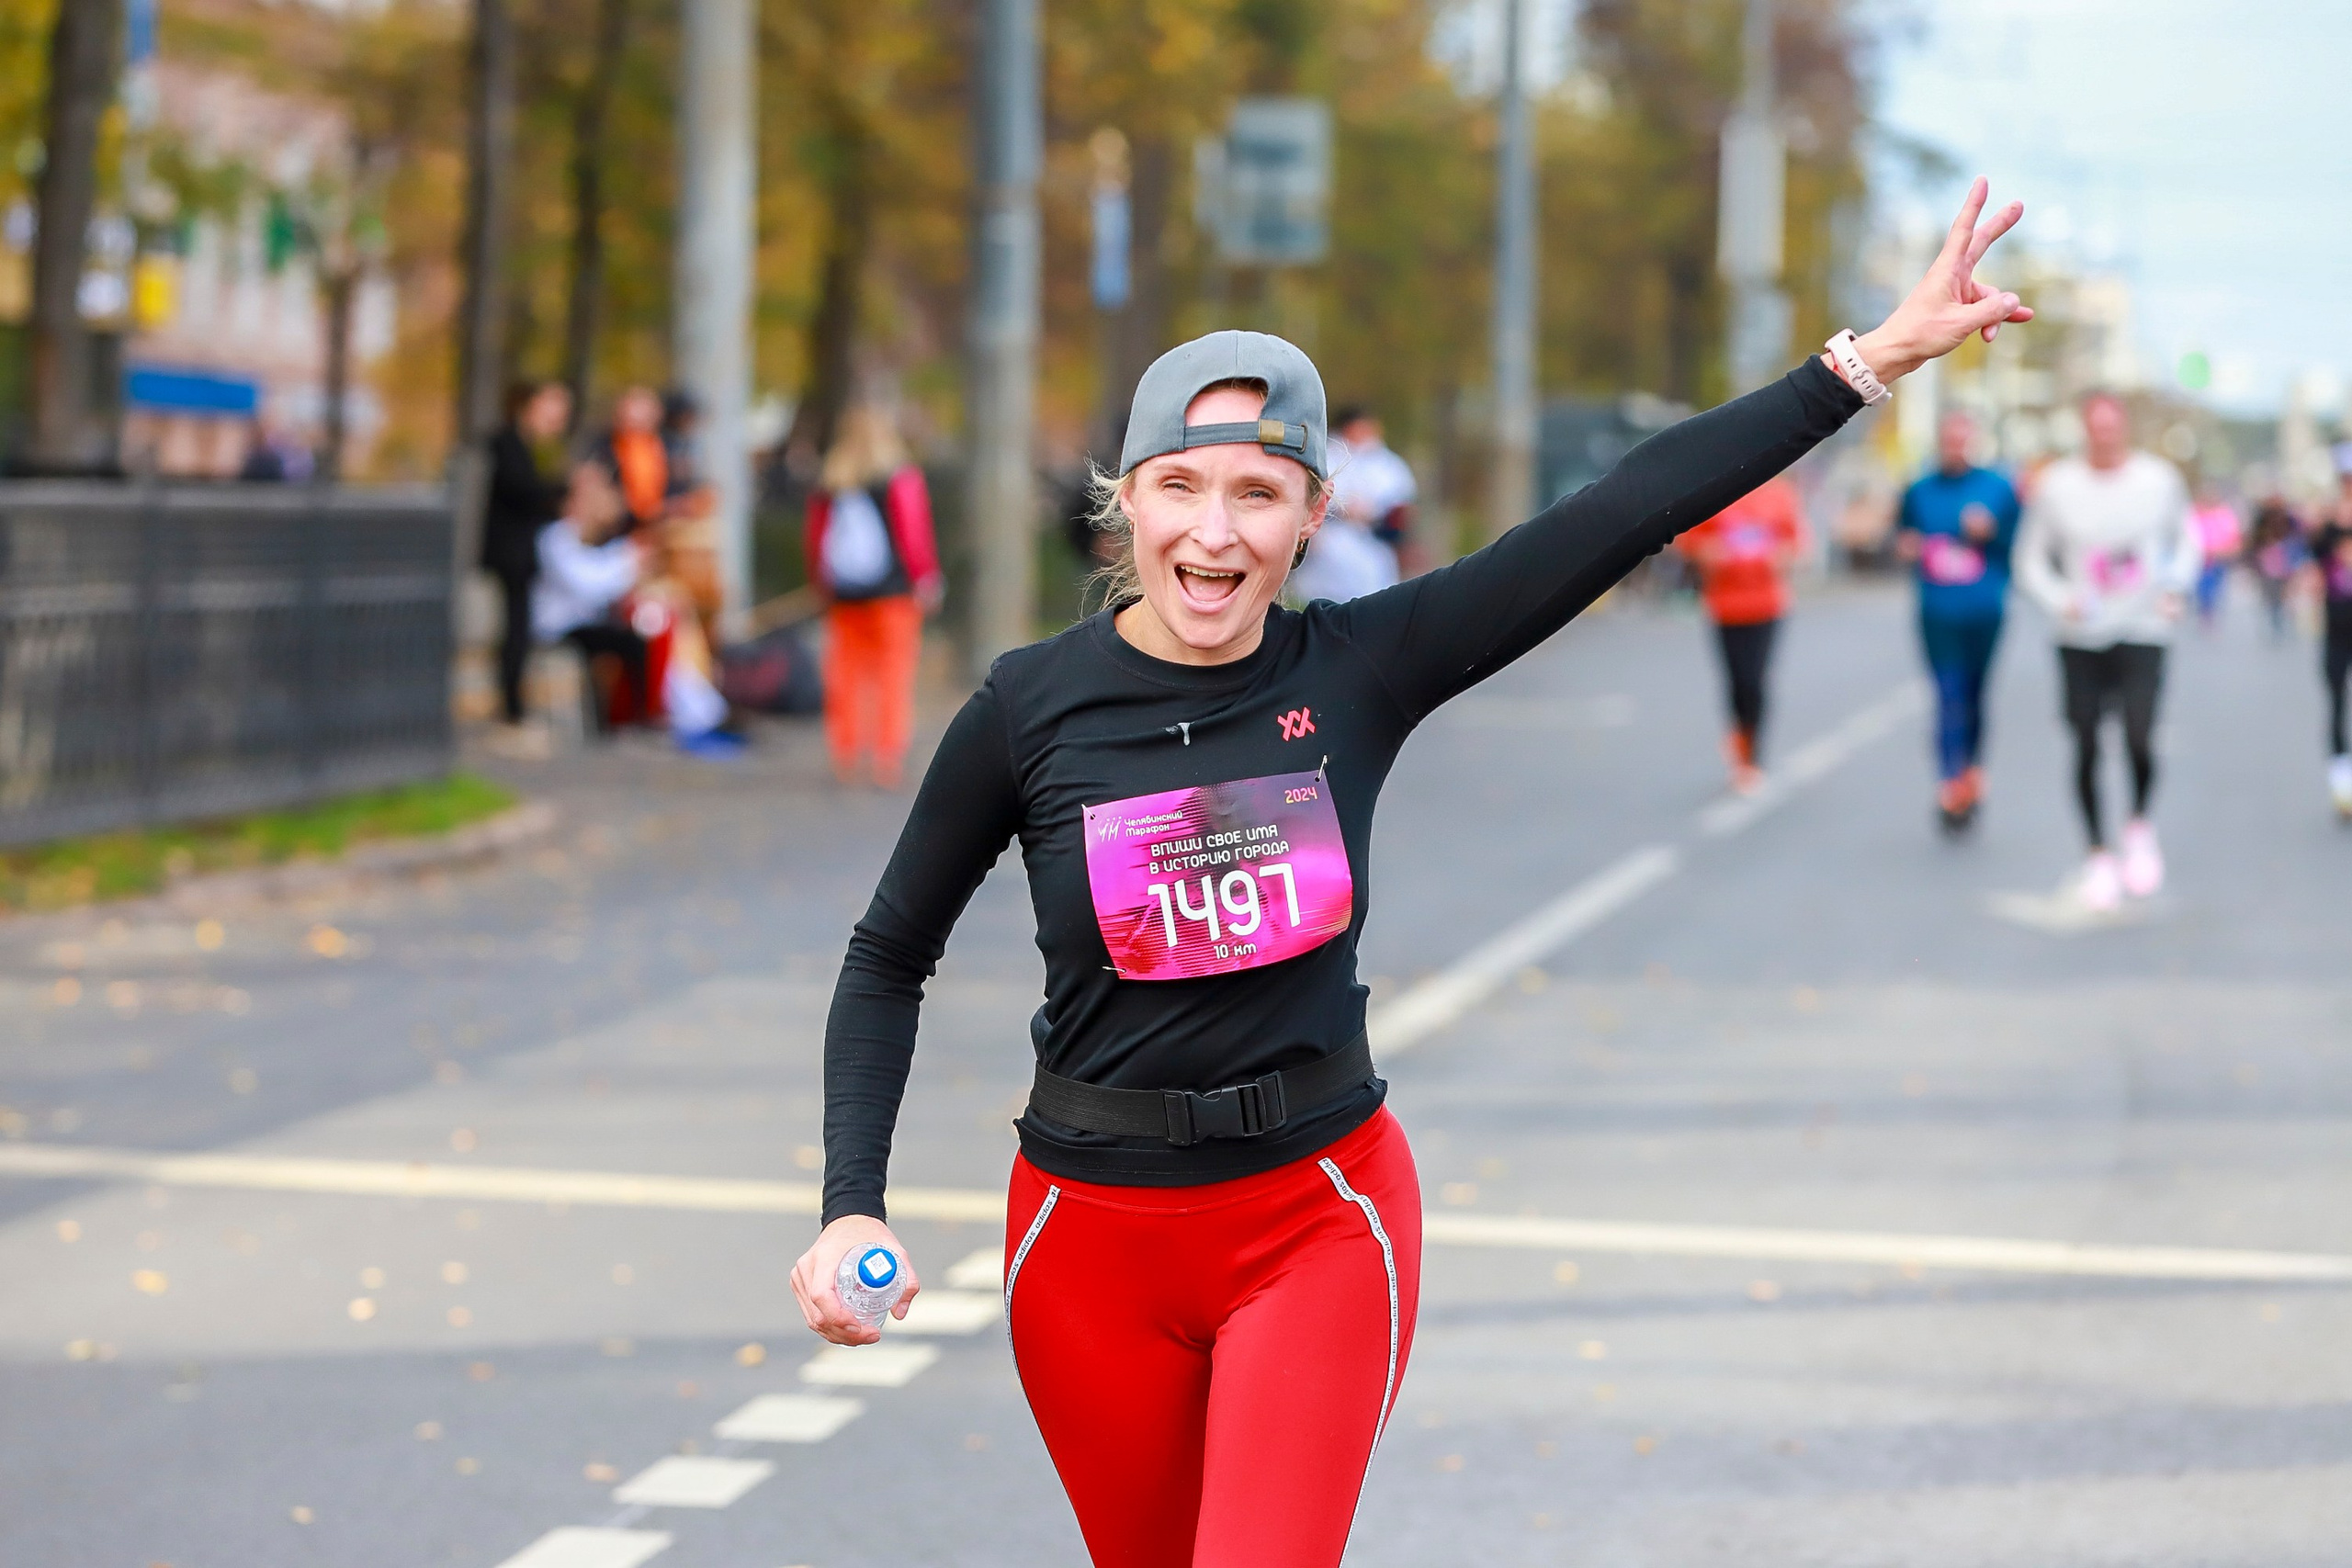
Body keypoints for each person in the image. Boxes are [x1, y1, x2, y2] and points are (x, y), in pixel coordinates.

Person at [790, 182, 2030, 1567]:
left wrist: (1865, 362)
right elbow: (887, 955)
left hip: (1312, 1219)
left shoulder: (1361, 668)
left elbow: (1624, 509)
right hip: (1086, 1237)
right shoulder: (1027, 709)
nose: (1215, 533)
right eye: (1181, 487)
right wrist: (853, 1200)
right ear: (1124, 498)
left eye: (1257, 493)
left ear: (1312, 513)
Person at [2015, 391, 2199, 910]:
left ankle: (2138, 823)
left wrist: (2175, 587)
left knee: (2140, 737)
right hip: (2082, 635)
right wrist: (2060, 600)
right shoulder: (2057, 486)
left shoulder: (2158, 481)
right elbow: (2030, 560)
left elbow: (2186, 540)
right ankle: (2097, 853)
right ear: (2084, 430)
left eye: (2112, 426)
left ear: (2124, 429)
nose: (2105, 436)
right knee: (2087, 743)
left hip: (2143, 627)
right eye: (2095, 427)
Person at [804, 406, 943, 788]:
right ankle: (887, 757)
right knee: (892, 674)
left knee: (846, 675)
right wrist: (925, 578)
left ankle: (846, 754)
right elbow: (913, 534)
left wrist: (822, 586)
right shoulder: (900, 477)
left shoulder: (830, 481)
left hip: (844, 597)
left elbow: (815, 540)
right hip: (893, 596)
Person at [1894, 409, 2019, 832]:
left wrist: (1991, 533)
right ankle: (1950, 781)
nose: (1955, 447)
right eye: (1949, 439)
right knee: (1948, 694)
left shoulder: (1998, 488)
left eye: (1962, 439)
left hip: (1985, 610)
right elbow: (1903, 534)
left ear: (1973, 441)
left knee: (1976, 694)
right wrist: (1908, 547)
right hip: (1938, 610)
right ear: (1939, 442)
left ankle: (1973, 769)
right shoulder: (1919, 490)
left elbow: (2017, 543)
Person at [1676, 473, 1809, 794]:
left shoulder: (1779, 493)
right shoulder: (1717, 490)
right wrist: (1708, 551)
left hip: (1767, 604)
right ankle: (1739, 740)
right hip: (1725, 604)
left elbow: (1797, 541)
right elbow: (1686, 538)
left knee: (1756, 680)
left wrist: (1784, 556)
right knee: (1736, 681)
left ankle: (1751, 756)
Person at [532, 461, 650, 732]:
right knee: (626, 645)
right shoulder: (555, 538)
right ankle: (620, 719)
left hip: (585, 621)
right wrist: (628, 562)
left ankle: (631, 715)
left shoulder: (590, 539)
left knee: (633, 640)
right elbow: (586, 583)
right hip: (560, 626)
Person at [482, 380, 573, 726]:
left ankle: (516, 700)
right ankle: (511, 705)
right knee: (515, 627)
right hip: (511, 551)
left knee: (521, 627)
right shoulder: (507, 444)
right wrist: (562, 489)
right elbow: (523, 491)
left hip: (527, 549)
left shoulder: (535, 447)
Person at [2302, 456, 2352, 817]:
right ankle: (2342, 780)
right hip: (2336, 628)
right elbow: (2313, 568)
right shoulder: (2326, 527)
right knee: (2336, 701)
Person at [1330, 405, 1421, 571]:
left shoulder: (1388, 463)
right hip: (1333, 536)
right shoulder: (1329, 455)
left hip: (1378, 538)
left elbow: (1403, 502)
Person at [2245, 496, 2303, 640]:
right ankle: (2275, 621)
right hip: (2268, 563)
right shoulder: (2262, 520)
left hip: (2285, 563)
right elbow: (2254, 541)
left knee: (2285, 595)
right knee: (2271, 596)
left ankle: (2284, 621)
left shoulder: (2290, 520)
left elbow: (2299, 539)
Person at [2188, 484, 2242, 627]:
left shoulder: (2223, 514)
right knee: (2202, 588)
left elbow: (2233, 535)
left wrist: (2228, 549)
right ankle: (2204, 612)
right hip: (2200, 557)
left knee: (2216, 587)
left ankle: (2211, 613)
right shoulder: (2194, 513)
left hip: (2218, 557)